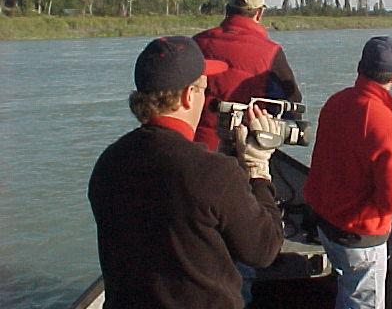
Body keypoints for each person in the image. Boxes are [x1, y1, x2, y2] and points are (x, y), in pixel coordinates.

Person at [88, 36, 284, 308]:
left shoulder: (109, 162)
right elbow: (264, 249)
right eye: (205, 88)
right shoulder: (214, 173)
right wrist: (257, 167)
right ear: (187, 95)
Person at [303, 36, 392, 309]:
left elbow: (348, 156)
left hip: (325, 223)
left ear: (360, 67)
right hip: (358, 238)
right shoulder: (391, 128)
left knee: (347, 287)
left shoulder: (336, 102)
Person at [193, 0, 302, 151]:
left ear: (227, 10)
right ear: (259, 13)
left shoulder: (197, 43)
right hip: (246, 151)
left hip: (197, 147)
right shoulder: (271, 52)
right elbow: (292, 107)